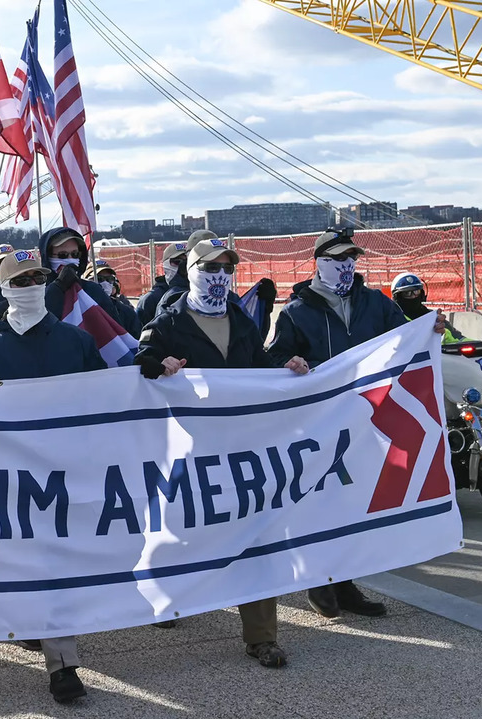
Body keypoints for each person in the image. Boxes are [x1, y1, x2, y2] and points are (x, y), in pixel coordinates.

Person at [134, 240, 311, 669]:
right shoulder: (169, 320)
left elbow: (258, 368)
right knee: (181, 530)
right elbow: (140, 360)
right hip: (190, 451)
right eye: (210, 266)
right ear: (191, 270)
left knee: (256, 537)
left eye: (227, 267)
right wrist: (159, 366)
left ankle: (262, 637)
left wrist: (285, 370)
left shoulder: (242, 322)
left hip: (241, 449)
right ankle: (164, 594)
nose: (220, 274)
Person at [267, 227, 446, 618]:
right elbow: (275, 357)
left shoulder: (375, 304)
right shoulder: (297, 312)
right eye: (339, 258)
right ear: (320, 262)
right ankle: (319, 579)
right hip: (319, 424)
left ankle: (347, 584)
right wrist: (289, 364)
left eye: (353, 258)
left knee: (355, 504)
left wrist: (428, 330)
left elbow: (404, 337)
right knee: (320, 502)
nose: (348, 265)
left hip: (365, 421)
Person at [0, 249, 102, 704]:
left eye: (37, 276)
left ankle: (63, 664)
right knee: (13, 563)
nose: (30, 285)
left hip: (64, 475)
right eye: (19, 280)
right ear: (1, 288)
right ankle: (28, 622)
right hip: (9, 480)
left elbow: (109, 401)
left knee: (57, 565)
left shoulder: (76, 342)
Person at [37, 227, 121, 323]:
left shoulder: (93, 291)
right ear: (47, 257)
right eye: (62, 255)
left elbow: (113, 330)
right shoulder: (35, 293)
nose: (70, 259)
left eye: (75, 254)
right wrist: (58, 287)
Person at [392, 273, 463, 343]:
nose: (413, 296)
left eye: (416, 292)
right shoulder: (392, 320)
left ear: (422, 294)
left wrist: (443, 334)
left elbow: (460, 339)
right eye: (407, 293)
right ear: (397, 297)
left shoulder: (434, 318)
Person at [136, 241, 188, 327]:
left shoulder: (197, 291)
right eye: (177, 262)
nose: (182, 266)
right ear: (165, 265)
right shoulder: (150, 299)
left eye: (186, 262)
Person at [87, 258, 141, 335]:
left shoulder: (126, 313)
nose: (105, 283)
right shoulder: (76, 308)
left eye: (109, 279)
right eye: (99, 279)